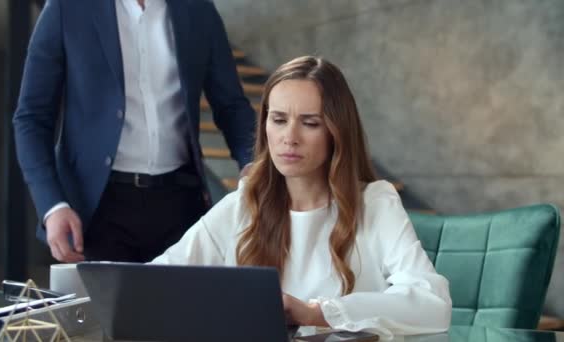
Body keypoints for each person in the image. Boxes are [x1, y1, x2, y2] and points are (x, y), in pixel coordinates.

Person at [150, 56, 452, 336]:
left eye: (310, 123)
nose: (289, 137)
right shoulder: (243, 204)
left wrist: (316, 313)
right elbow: (155, 282)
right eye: (279, 120)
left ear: (337, 132)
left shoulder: (375, 203)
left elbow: (432, 303)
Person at [13, 0, 256, 262]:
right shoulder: (68, 7)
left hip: (181, 204)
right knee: (111, 305)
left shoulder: (199, 10)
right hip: (99, 211)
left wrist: (252, 161)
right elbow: (32, 118)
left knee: (183, 303)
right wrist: (52, 205)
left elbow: (231, 105)